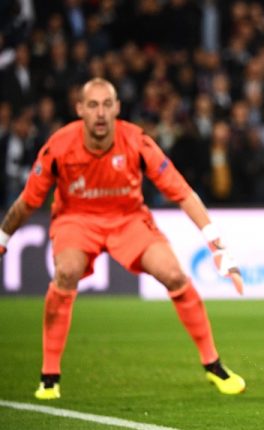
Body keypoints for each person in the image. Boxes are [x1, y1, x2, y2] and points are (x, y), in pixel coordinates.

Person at [0, 78, 246, 400]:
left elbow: (182, 192)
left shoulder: (137, 141)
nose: (100, 113)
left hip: (128, 219)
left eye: (107, 104)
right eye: (93, 105)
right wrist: (3, 237)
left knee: (174, 275)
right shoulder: (59, 146)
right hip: (77, 219)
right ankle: (49, 376)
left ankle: (213, 364)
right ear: (79, 109)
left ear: (117, 107)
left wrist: (217, 245)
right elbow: (28, 201)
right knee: (66, 272)